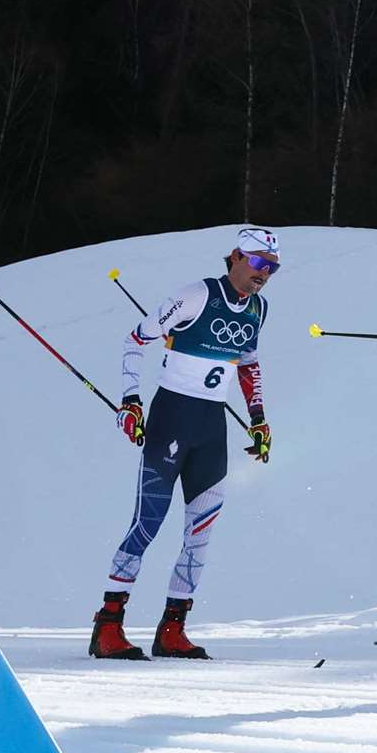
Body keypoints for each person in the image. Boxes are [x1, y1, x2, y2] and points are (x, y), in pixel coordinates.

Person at [90, 226, 279, 661]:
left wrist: (258, 419)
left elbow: (248, 364)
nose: (263, 273)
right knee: (147, 524)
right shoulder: (196, 296)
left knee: (201, 532)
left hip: (212, 428)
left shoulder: (259, 309)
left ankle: (173, 629)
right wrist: (130, 402)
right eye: (256, 262)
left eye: (272, 267)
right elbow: (135, 340)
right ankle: (108, 625)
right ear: (235, 257)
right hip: (171, 419)